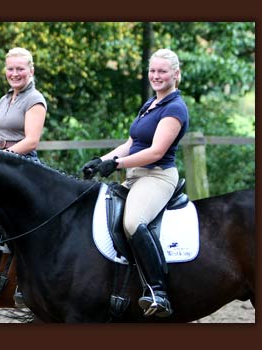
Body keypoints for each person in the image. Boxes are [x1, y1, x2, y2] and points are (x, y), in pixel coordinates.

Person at [81, 48, 189, 317]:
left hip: (157, 176)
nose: (156, 76)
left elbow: (155, 152)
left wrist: (115, 165)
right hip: (135, 175)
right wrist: (100, 160)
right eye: (152, 71)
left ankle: (158, 291)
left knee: (132, 222)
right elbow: (131, 144)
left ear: (176, 74)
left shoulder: (175, 108)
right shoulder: (151, 103)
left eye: (162, 71)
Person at [0, 47, 47, 160]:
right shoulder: (4, 100)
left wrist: (0, 157)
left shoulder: (34, 99)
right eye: (10, 69)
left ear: (31, 71)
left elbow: (31, 142)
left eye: (20, 69)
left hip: (23, 161)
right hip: (1, 157)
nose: (14, 74)